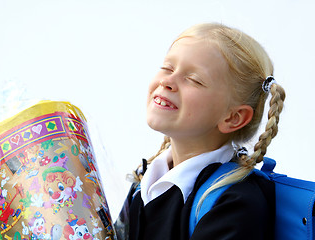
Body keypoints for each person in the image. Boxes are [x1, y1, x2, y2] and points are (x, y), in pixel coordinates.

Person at [115, 22, 286, 240]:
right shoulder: (143, 183)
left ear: (233, 117)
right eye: (167, 68)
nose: (167, 81)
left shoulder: (236, 201)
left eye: (194, 79)